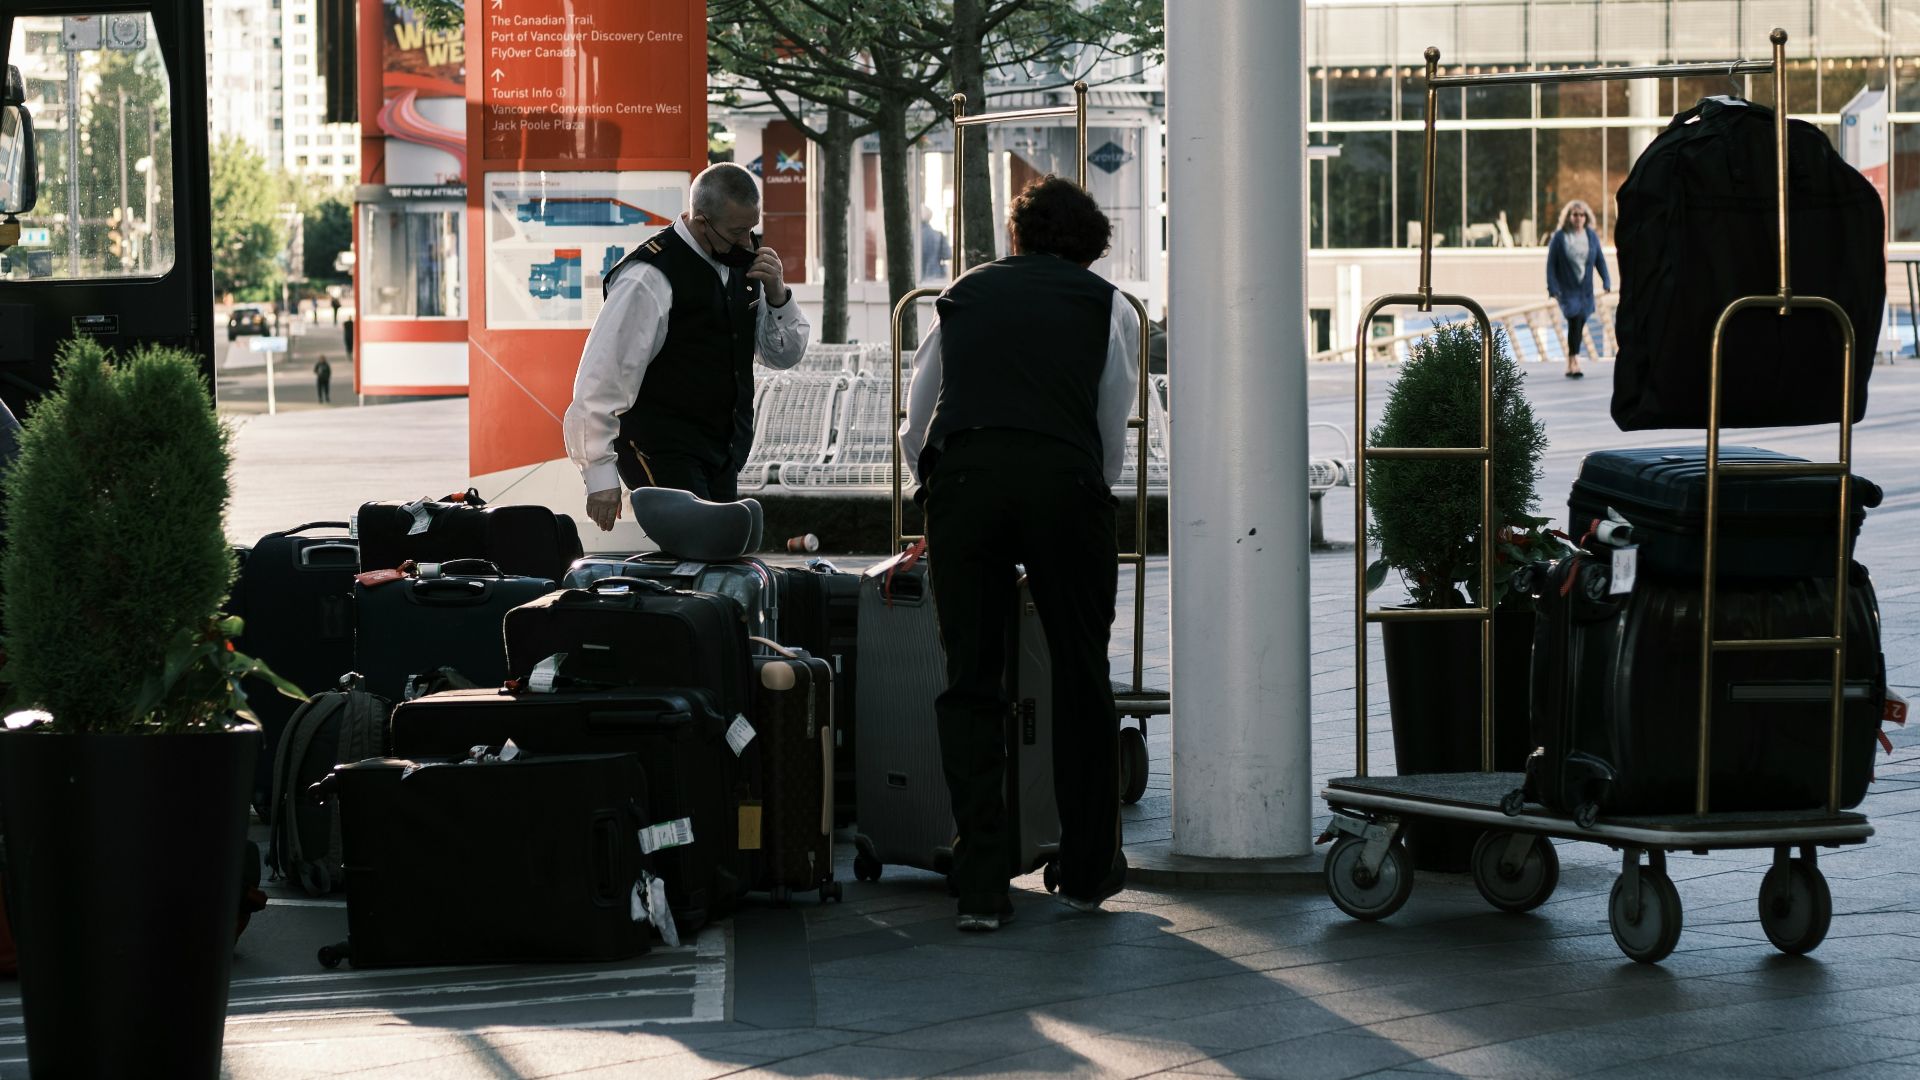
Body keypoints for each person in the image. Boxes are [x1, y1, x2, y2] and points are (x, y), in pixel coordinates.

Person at [899, 175, 1140, 932]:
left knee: (972, 676)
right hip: (1064, 482)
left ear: (1018, 233)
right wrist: (1079, 487)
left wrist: (938, 482)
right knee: (1078, 672)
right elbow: (1112, 418)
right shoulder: (1109, 307)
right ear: (1092, 247)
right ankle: (1087, 867)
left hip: (967, 481)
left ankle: (981, 883)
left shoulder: (964, 294)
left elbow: (919, 415)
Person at [564, 163, 811, 530]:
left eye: (751, 230)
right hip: (660, 446)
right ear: (701, 222)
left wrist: (778, 296)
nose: (747, 243)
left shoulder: (744, 264)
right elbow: (601, 379)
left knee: (716, 558)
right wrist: (599, 474)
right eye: (736, 232)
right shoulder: (649, 276)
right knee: (697, 549)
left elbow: (782, 355)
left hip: (722, 451)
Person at [1545, 199, 1612, 378]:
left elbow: (1600, 260)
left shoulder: (1591, 236)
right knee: (1574, 321)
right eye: (1575, 214)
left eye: (1582, 215)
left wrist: (1606, 280)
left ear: (1586, 217)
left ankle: (1572, 360)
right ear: (1569, 217)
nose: (1578, 218)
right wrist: (1552, 287)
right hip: (1567, 290)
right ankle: (1572, 361)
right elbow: (1551, 265)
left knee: (1579, 323)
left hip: (1585, 291)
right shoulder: (1560, 237)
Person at [919, 206, 952, 281]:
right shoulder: (938, 235)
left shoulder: (913, 236)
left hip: (918, 276)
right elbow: (948, 255)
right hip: (936, 276)